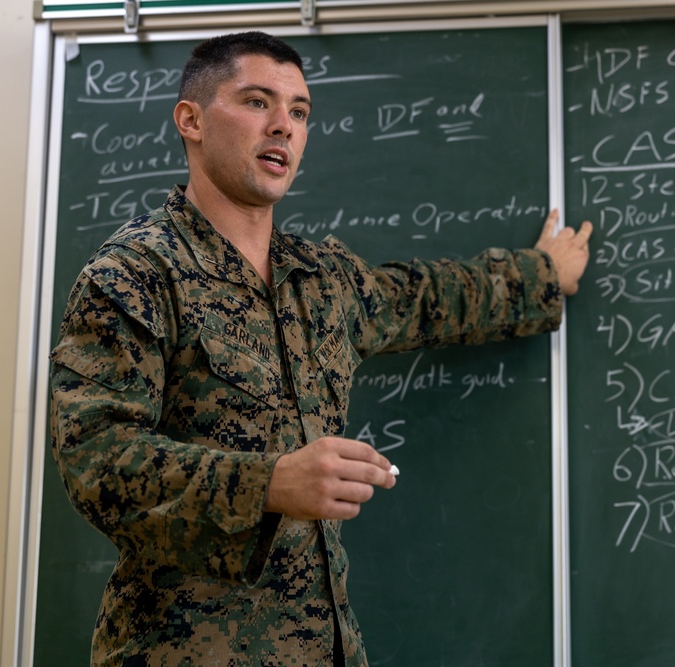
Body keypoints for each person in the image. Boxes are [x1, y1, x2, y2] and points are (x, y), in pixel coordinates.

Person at [49, 30, 593, 667]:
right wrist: (270, 485)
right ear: (191, 120)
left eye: (299, 111)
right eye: (256, 102)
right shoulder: (134, 275)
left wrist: (540, 276)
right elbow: (98, 460)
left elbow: (425, 299)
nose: (283, 125)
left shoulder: (320, 280)